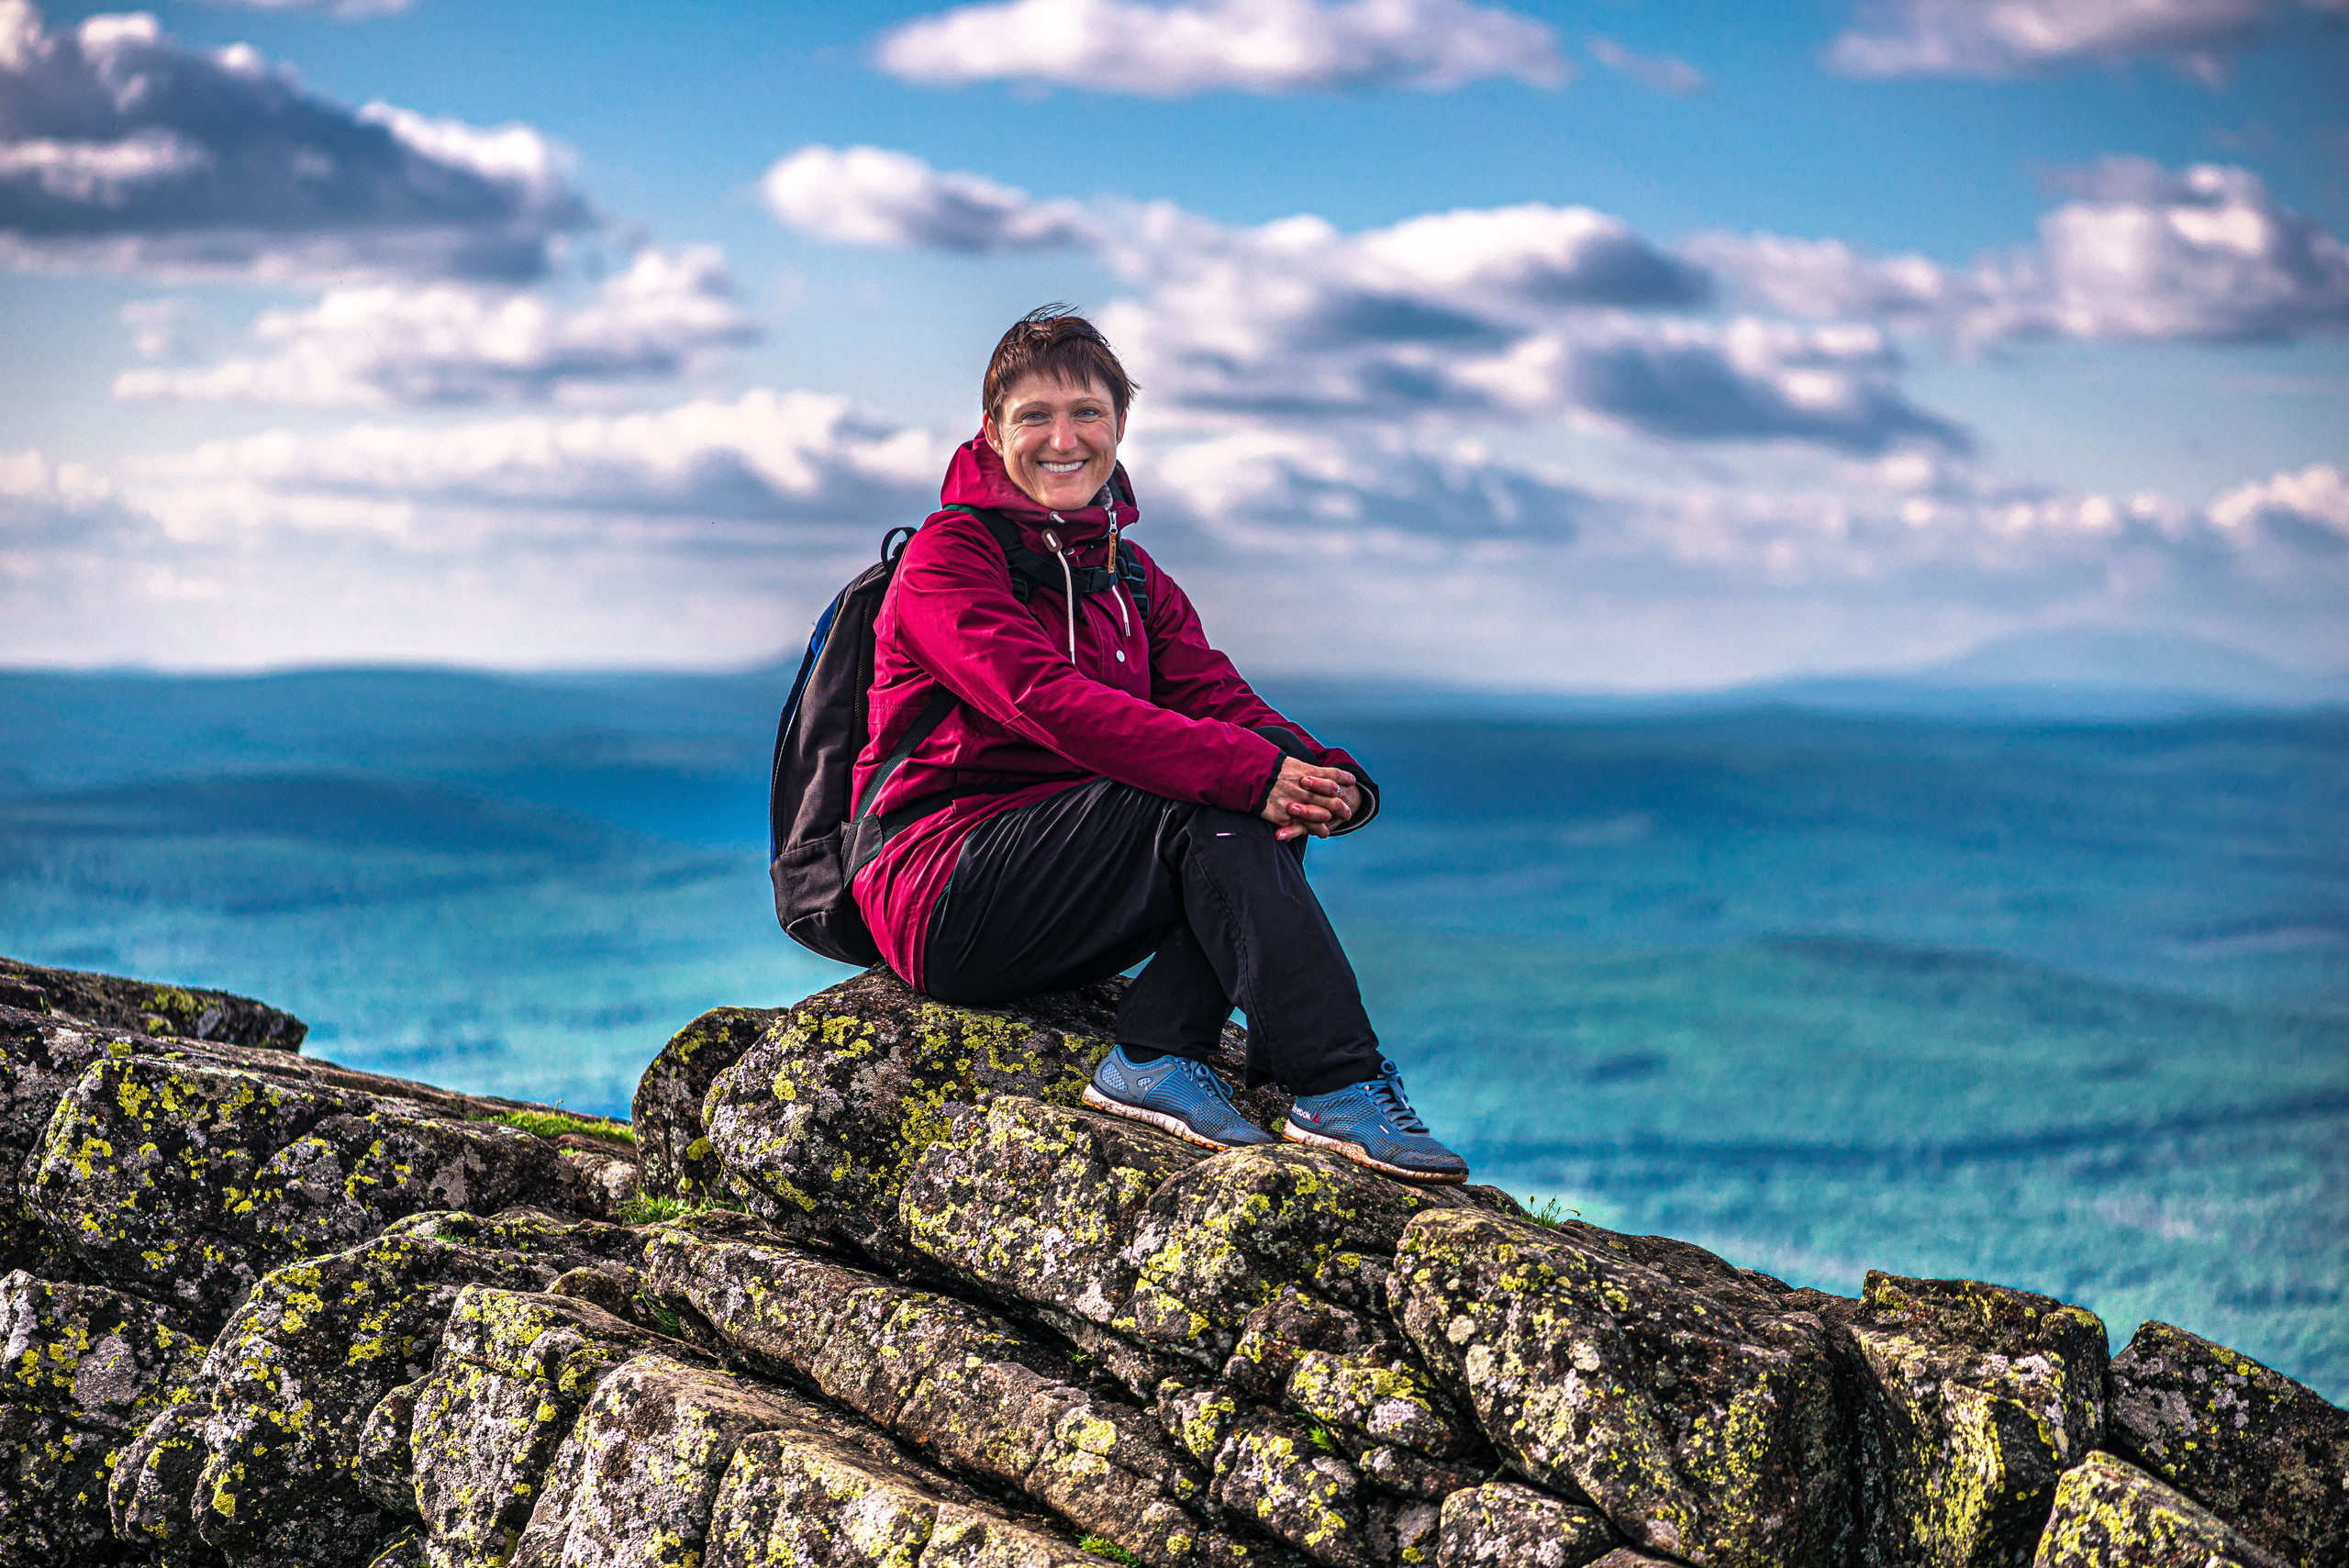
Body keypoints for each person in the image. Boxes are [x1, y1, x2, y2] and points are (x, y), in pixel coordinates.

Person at [851, 306, 1466, 1184]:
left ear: (1120, 426)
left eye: (1086, 413)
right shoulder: (949, 559)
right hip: (940, 886)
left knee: (1259, 804)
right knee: (1218, 791)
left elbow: (1216, 696)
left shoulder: (1131, 576)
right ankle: (1336, 1082)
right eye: (1033, 416)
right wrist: (1253, 774)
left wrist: (1320, 772)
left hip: (1068, 884)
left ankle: (1155, 1054)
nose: (1063, 438)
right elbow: (1047, 701)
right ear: (992, 430)